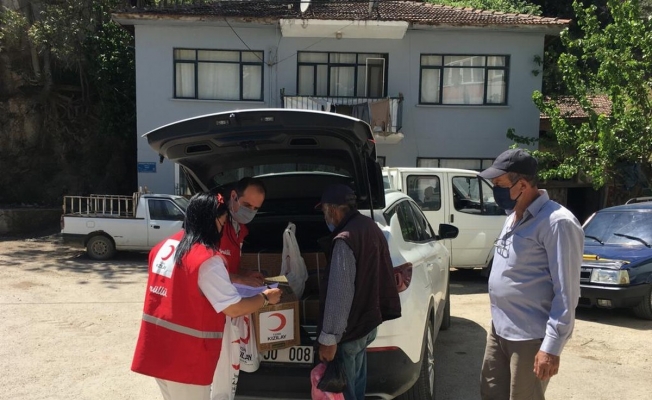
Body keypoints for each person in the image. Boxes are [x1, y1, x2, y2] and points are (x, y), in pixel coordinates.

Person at [131, 192, 281, 400]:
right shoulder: (207, 259)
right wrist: (265, 297)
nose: (222, 229)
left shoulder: (163, 247)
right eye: (222, 222)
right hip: (185, 357)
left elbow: (183, 286)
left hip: (157, 348)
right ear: (213, 221)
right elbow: (234, 309)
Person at [478, 148, 584, 400]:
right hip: (500, 329)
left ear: (523, 184)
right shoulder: (513, 216)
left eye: (499, 184)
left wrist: (551, 347)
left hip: (530, 337)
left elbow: (567, 292)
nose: (495, 191)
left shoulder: (558, 223)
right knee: (491, 394)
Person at [316, 184, 401, 400]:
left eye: (324, 211)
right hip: (367, 324)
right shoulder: (370, 226)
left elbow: (340, 293)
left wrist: (329, 339)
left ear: (333, 210)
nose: (325, 217)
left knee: (345, 393)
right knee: (356, 387)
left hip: (349, 331)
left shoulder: (345, 239)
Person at [219, 177, 267, 287]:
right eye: (247, 205)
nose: (250, 211)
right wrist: (240, 279)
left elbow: (230, 267)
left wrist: (246, 274)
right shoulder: (215, 224)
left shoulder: (241, 230)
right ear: (233, 196)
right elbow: (204, 272)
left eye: (255, 208)